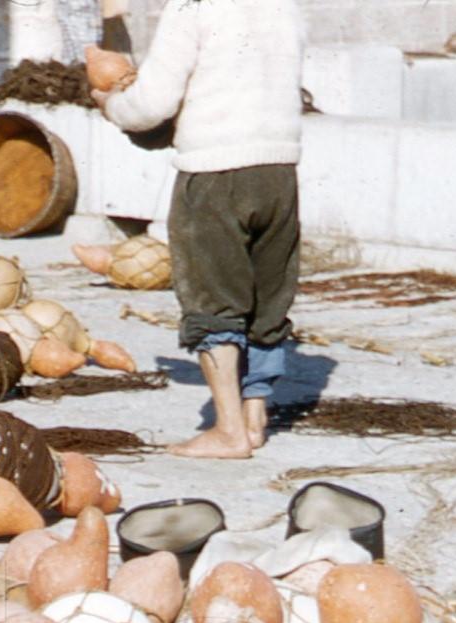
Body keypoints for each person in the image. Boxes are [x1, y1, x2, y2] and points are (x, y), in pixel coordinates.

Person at [96, 0, 305, 460]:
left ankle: (228, 431)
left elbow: (152, 105)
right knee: (267, 297)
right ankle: (254, 415)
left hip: (214, 172)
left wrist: (112, 105)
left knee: (213, 300)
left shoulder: (190, 7)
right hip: (278, 170)